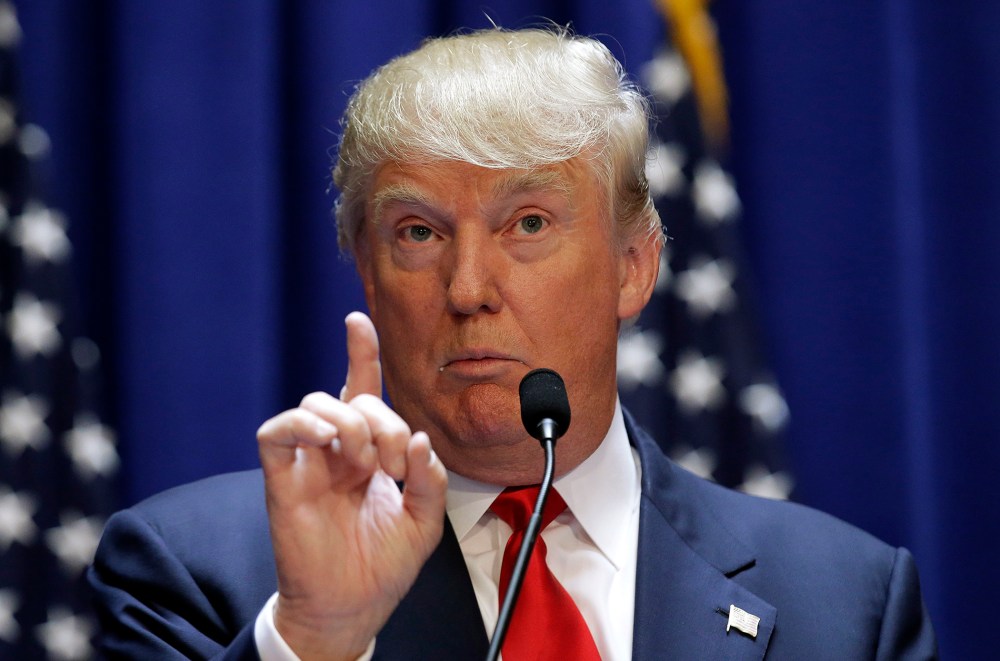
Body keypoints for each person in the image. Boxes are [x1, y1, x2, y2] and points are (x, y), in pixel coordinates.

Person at [89, 27, 937, 660]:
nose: (467, 289)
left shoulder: (846, 605)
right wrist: (318, 637)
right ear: (366, 275)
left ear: (634, 268)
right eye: (417, 233)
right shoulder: (193, 572)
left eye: (528, 223)